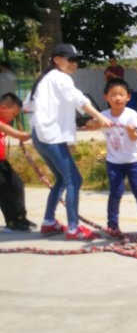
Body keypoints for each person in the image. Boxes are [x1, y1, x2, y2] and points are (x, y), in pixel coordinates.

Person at [26, 43, 113, 240]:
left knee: (62, 179)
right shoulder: (60, 77)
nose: (75, 63)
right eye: (71, 59)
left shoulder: (44, 79)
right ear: (57, 59)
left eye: (77, 60)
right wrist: (100, 117)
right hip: (51, 137)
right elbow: (78, 99)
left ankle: (49, 222)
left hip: (41, 135)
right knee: (74, 179)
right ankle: (73, 228)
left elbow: (28, 106)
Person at [85, 79, 137, 238]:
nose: (117, 98)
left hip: (134, 160)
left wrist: (130, 131)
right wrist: (95, 122)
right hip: (114, 162)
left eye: (121, 94)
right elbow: (89, 125)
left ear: (128, 97)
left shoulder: (132, 115)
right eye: (113, 95)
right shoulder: (103, 116)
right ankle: (112, 225)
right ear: (106, 97)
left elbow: (135, 138)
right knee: (115, 192)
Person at [0, 93, 36, 232]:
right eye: (14, 114)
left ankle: (20, 218)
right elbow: (19, 135)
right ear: (3, 108)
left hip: (2, 161)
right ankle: (12, 221)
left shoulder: (4, 122)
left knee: (16, 185)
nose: (14, 117)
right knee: (6, 189)